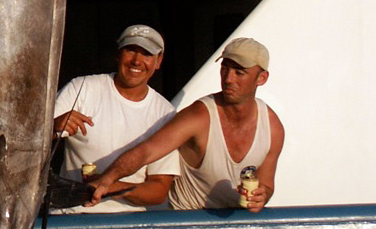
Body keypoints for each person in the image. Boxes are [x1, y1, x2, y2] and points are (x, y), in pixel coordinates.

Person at [89, 36, 284, 212]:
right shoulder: (200, 115)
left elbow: (266, 184)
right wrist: (106, 180)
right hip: (185, 222)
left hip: (233, 228)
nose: (228, 79)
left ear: (262, 78)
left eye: (239, 72)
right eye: (225, 69)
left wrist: (262, 196)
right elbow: (146, 151)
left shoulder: (273, 128)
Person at [52, 24, 179, 210]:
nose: (137, 60)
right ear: (118, 53)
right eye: (130, 50)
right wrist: (52, 127)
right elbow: (28, 142)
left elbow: (159, 190)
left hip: (129, 226)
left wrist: (110, 186)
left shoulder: (165, 114)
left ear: (158, 61)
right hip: (70, 216)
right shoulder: (81, 87)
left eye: (147, 54)